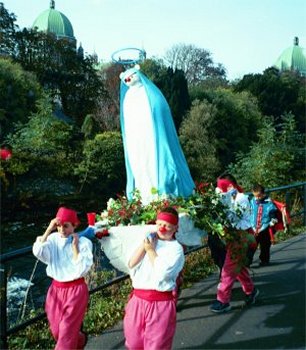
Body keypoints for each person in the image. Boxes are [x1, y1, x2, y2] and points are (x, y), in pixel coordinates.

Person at [123, 206, 185, 350]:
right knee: (133, 343)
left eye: (167, 226)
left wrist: (150, 250)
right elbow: (131, 264)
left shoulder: (176, 249)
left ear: (175, 228)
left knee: (156, 346)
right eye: (159, 224)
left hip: (160, 303)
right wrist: (144, 246)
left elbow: (163, 273)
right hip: (138, 301)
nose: (162, 228)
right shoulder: (148, 241)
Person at [32, 207, 93, 350]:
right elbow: (38, 251)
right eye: (58, 226)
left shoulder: (84, 243)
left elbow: (82, 269)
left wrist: (75, 248)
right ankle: (79, 339)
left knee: (66, 331)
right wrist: (49, 229)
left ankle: (73, 339)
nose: (61, 230)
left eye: (66, 226)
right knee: (57, 331)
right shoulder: (52, 239)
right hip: (56, 290)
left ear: (74, 226)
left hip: (76, 290)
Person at [210, 175, 259, 313]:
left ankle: (223, 300)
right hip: (233, 237)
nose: (219, 191)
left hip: (241, 237)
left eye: (221, 187)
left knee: (228, 269)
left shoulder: (241, 198)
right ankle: (251, 290)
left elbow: (234, 217)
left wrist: (221, 207)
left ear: (230, 186)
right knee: (237, 267)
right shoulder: (231, 197)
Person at [249, 183, 278, 266]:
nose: (257, 198)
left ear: (263, 193)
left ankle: (264, 260)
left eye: (259, 196)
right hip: (253, 227)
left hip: (264, 227)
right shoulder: (252, 201)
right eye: (255, 196)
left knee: (265, 245)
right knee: (251, 245)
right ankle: (247, 261)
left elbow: (272, 212)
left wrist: (273, 219)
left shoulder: (269, 202)